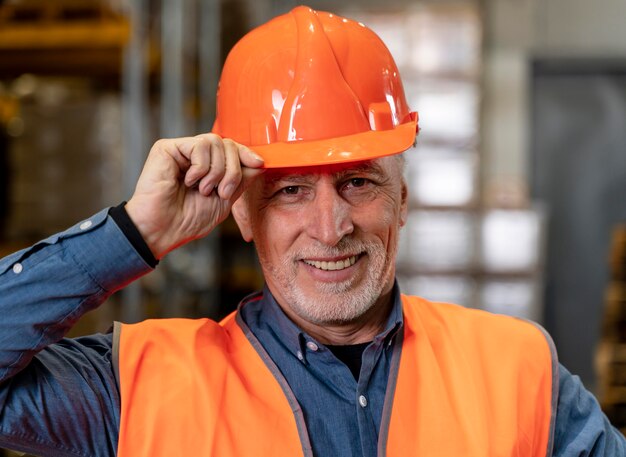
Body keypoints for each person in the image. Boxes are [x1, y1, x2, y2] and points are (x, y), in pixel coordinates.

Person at [0, 6, 624, 457]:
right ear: (241, 211)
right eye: (291, 191)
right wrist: (134, 233)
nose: (331, 228)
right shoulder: (136, 384)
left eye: (358, 182)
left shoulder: (518, 372)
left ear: (402, 198)